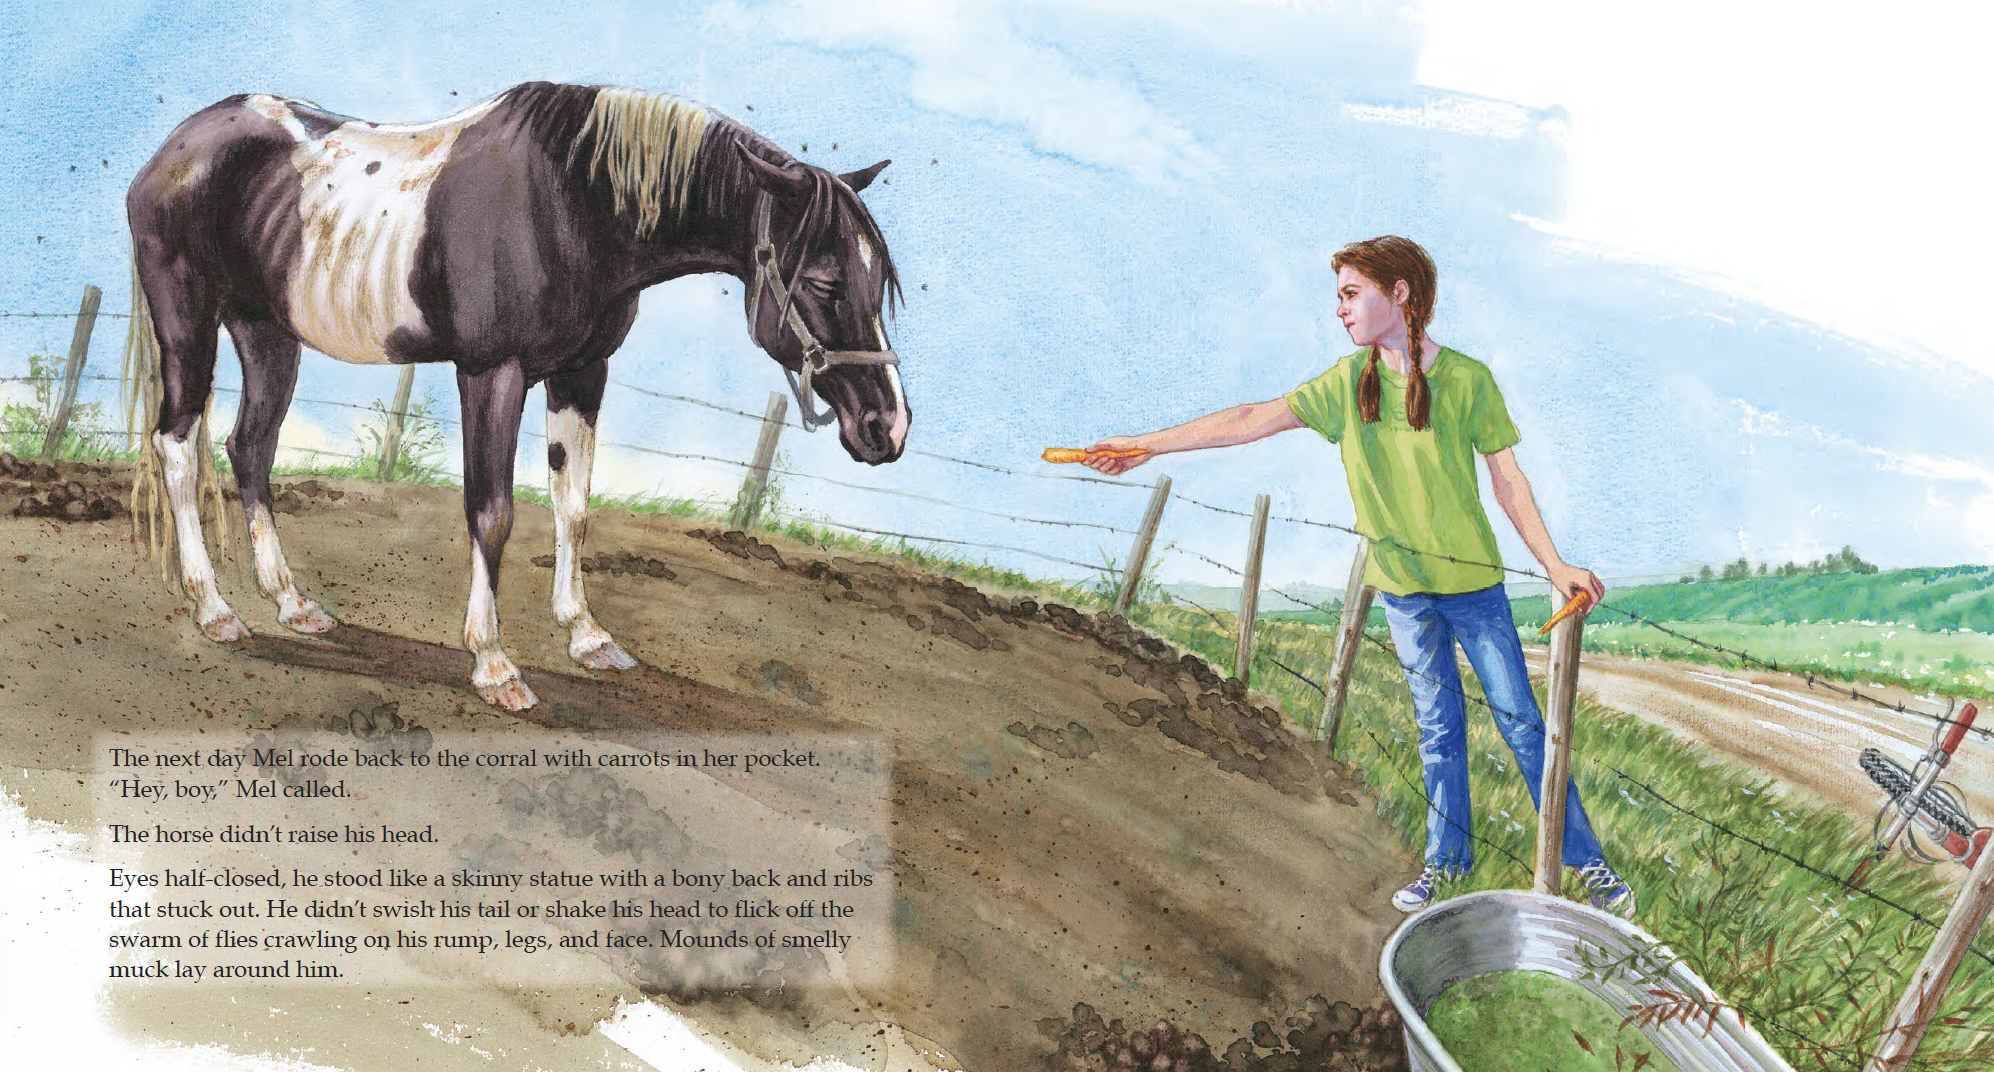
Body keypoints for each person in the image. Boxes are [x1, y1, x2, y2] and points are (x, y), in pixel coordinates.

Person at [1082, 235, 1634, 916]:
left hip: (1475, 590)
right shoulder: (1347, 384)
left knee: (1522, 723)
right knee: (1438, 730)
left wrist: (1556, 566)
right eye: (1339, 295)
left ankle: (1588, 867)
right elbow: (1251, 420)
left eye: (1351, 293)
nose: (1339, 309)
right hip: (1402, 593)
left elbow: (1509, 482)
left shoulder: (1467, 379)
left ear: (1398, 292)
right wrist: (1143, 444)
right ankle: (1445, 864)